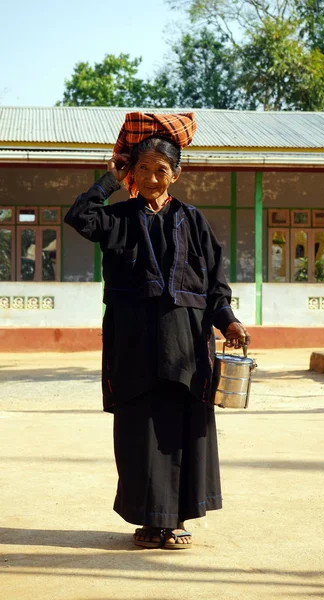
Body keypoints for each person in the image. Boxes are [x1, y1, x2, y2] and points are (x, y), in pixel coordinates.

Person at [64, 112, 250, 550]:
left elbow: (215, 288)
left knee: (182, 429)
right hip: (134, 344)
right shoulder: (118, 218)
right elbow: (79, 217)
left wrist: (230, 322)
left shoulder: (194, 220)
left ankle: (176, 519)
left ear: (176, 174)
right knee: (140, 432)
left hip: (187, 345)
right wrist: (110, 180)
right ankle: (148, 522)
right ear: (132, 171)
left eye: (160, 170)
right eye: (141, 169)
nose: (150, 177)